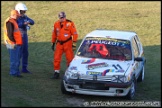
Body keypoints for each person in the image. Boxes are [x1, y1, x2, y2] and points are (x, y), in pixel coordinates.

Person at [51, 11, 78, 79]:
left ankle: (70, 72)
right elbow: (54, 34)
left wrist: (74, 43)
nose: (62, 19)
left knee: (69, 58)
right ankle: (56, 72)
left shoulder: (70, 23)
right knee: (56, 58)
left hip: (67, 43)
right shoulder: (56, 24)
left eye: (63, 17)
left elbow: (75, 33)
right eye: (60, 18)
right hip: (59, 43)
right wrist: (53, 43)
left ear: (65, 17)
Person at [15, 2, 35, 73]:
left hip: (24, 36)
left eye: (24, 11)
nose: (24, 12)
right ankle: (16, 68)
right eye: (22, 11)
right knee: (18, 53)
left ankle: (24, 68)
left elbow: (33, 22)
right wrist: (24, 23)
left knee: (25, 52)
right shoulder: (16, 17)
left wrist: (28, 21)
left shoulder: (25, 17)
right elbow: (17, 24)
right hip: (19, 37)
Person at [3, 10, 23, 77]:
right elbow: (10, 35)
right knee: (14, 59)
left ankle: (15, 72)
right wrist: (14, 43)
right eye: (18, 16)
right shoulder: (10, 22)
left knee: (15, 59)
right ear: (14, 15)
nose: (18, 17)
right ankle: (13, 73)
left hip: (12, 43)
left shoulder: (12, 21)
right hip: (12, 44)